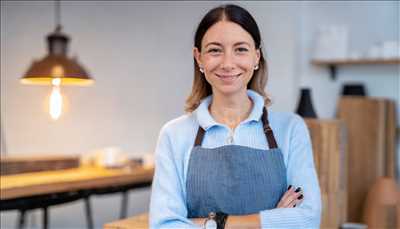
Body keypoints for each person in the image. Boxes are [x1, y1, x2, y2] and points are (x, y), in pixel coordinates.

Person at [149, 4, 321, 229]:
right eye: (215, 50)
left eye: (240, 49)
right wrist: (272, 219)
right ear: (198, 58)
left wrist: (210, 223)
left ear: (256, 57)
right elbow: (164, 225)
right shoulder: (174, 134)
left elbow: (308, 219)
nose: (228, 63)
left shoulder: (290, 128)